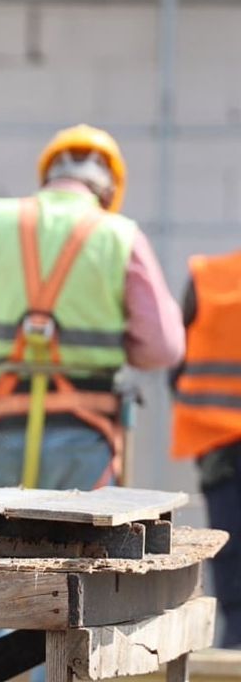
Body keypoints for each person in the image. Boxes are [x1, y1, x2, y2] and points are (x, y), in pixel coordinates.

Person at [0, 123, 183, 672]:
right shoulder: (118, 233)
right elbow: (163, 347)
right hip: (84, 428)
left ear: (48, 177)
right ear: (109, 186)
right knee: (67, 581)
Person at [171, 249, 241, 649]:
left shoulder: (210, 277)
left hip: (220, 448)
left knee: (234, 576)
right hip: (221, 451)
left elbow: (177, 365)